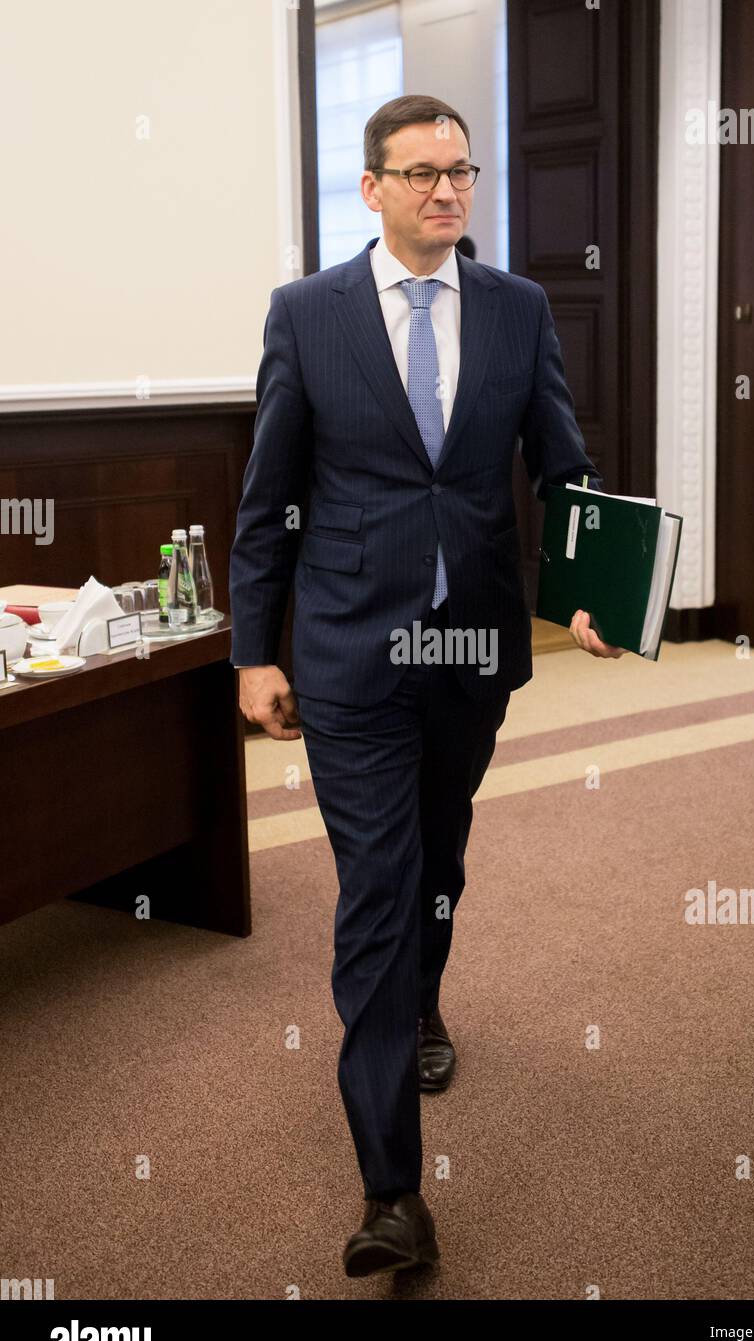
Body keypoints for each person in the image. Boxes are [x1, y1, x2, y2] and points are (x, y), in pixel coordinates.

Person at [228, 93, 623, 1279]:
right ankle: (392, 1191)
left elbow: (565, 464)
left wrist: (592, 585)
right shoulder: (308, 315)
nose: (448, 191)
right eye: (422, 174)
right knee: (379, 891)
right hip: (352, 649)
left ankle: (423, 1001)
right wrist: (256, 649)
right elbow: (268, 498)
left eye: (463, 172)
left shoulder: (518, 308)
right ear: (372, 188)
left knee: (438, 858)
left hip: (470, 645)